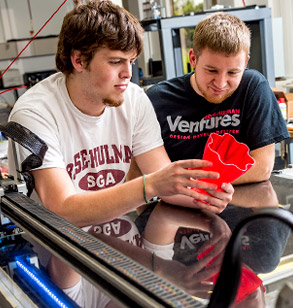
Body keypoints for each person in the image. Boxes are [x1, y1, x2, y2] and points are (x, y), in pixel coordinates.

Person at [7, 1, 233, 307]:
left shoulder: (134, 100)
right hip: (62, 258)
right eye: (116, 62)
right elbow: (62, 212)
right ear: (78, 60)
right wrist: (150, 186)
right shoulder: (34, 112)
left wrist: (206, 198)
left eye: (132, 60)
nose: (128, 73)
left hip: (123, 251)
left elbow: (165, 181)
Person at [145, 12, 289, 185]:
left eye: (233, 72)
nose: (221, 83)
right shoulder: (157, 100)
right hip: (180, 204)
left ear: (245, 63)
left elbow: (262, 167)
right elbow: (155, 176)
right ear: (193, 59)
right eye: (211, 70)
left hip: (244, 204)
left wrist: (194, 183)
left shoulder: (253, 87)